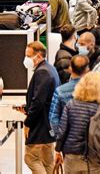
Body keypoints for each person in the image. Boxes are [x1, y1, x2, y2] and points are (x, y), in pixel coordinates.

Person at [54, 72, 100, 173]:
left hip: (72, 157)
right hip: (94, 158)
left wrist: (58, 150)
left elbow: (62, 131)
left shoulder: (71, 105)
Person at [22, 41, 60, 174]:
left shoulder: (42, 72)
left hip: (41, 125)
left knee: (30, 158)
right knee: (47, 161)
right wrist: (27, 107)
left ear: (38, 56)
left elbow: (38, 101)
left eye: (28, 55)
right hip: (49, 124)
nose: (25, 59)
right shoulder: (50, 69)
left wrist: (28, 122)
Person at [49, 55, 89, 136]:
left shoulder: (60, 91)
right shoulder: (93, 90)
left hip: (68, 138)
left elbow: (53, 118)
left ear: (70, 69)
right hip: (88, 138)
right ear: (87, 69)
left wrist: (59, 136)